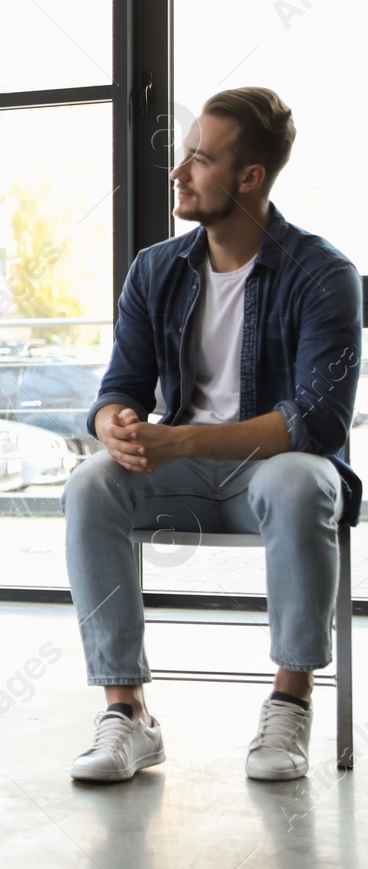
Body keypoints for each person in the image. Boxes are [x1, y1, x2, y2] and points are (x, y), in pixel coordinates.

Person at [63, 86, 361, 783]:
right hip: (184, 480)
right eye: (184, 156)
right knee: (92, 483)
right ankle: (128, 713)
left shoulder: (325, 275)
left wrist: (182, 440)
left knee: (296, 475)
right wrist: (117, 426)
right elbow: (120, 390)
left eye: (200, 159)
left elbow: (313, 422)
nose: (179, 173)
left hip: (276, 474)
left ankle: (290, 703)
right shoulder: (156, 270)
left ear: (249, 177)